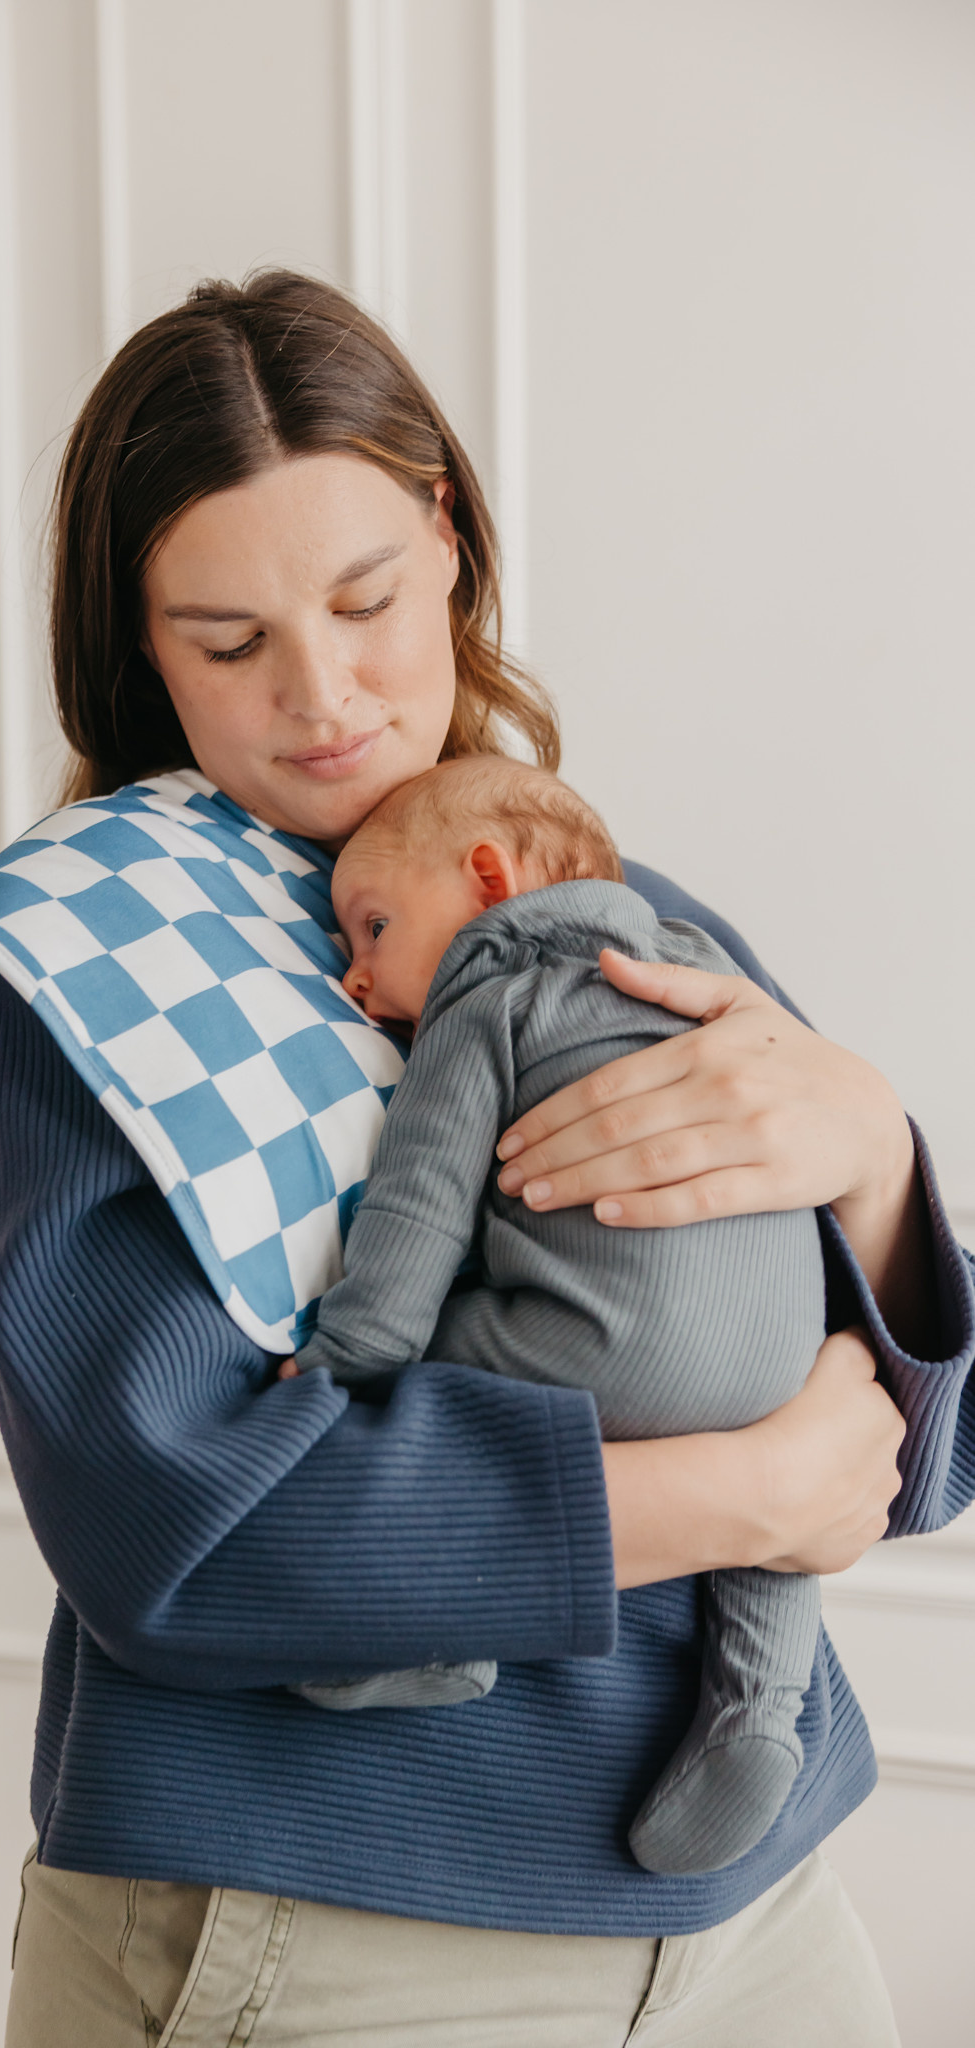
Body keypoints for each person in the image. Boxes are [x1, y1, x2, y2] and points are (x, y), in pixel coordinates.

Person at [0, 272, 975, 2045]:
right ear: (140, 645)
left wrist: (870, 1160)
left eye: (366, 599)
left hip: (760, 1908)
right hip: (330, 1932)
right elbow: (175, 1535)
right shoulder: (84, 975)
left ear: (451, 544)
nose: (321, 695)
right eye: (227, 640)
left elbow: (917, 1457)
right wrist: (737, 1495)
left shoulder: (617, 915)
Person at [282, 755, 828, 1881]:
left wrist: (351, 1359)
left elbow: (417, 1212)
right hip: (786, 1356)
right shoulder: (707, 968)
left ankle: (451, 1633)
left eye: (372, 927)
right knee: (773, 1534)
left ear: (488, 880)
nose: (354, 975)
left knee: (440, 1391)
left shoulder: (492, 996)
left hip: (605, 1347)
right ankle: (762, 1703)